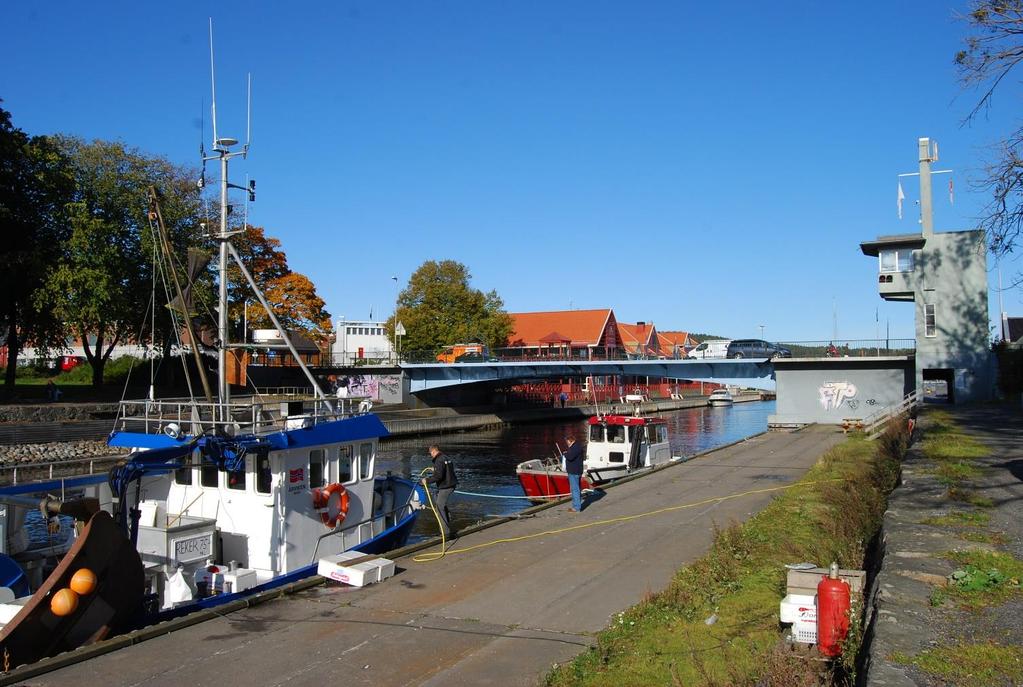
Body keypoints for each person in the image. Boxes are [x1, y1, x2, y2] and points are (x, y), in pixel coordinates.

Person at [424, 445, 458, 538]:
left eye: (431, 453)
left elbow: (438, 476)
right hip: (451, 484)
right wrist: (435, 469)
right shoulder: (445, 457)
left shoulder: (438, 460)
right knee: (438, 500)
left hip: (446, 486)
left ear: (433, 451)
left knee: (439, 507)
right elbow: (445, 470)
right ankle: (448, 521)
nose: (431, 455)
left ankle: (445, 533)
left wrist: (426, 481)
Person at [563, 434, 585, 512]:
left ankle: (576, 507)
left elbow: (570, 457)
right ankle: (575, 506)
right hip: (577, 470)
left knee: (575, 489)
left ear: (570, 440)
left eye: (567, 441)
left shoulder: (575, 447)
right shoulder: (577, 446)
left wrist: (565, 453)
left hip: (574, 471)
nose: (567, 443)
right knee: (576, 489)